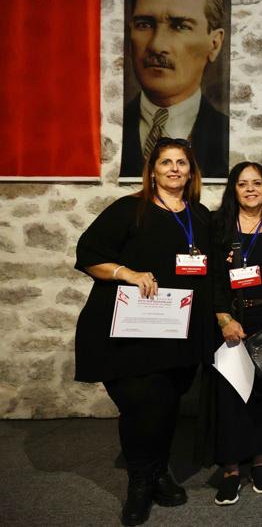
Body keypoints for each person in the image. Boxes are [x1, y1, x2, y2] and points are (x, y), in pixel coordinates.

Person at [74, 137, 213, 526]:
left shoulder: (200, 215)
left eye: (181, 162)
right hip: (130, 331)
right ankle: (140, 483)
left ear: (191, 170)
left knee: (166, 404)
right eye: (166, 162)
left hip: (179, 330)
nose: (174, 169)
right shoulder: (128, 210)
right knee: (140, 405)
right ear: (152, 171)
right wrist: (128, 273)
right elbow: (89, 256)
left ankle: (158, 471)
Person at [209, 162, 262, 506]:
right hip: (233, 322)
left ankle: (260, 462)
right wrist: (224, 319)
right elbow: (213, 279)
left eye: (256, 183)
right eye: (242, 183)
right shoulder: (219, 226)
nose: (250, 189)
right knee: (232, 397)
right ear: (233, 189)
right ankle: (231, 471)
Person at [120, 0, 229, 178]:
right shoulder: (106, 131)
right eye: (144, 25)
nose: (156, 45)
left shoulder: (225, 133)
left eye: (180, 27)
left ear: (214, 44)